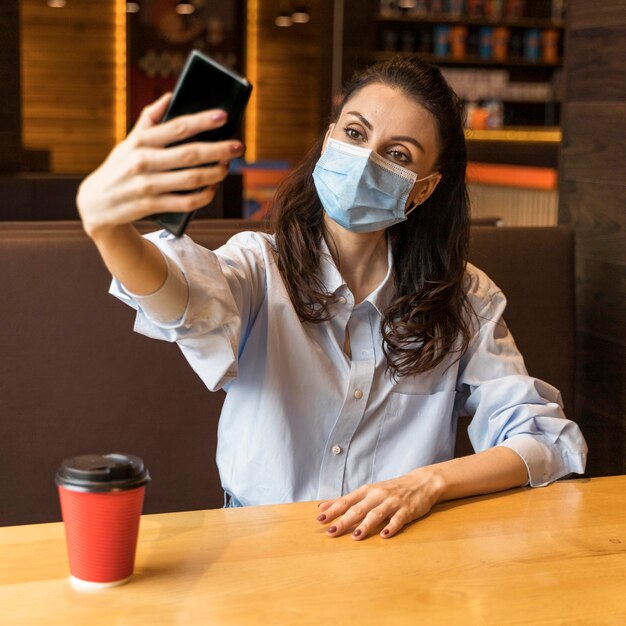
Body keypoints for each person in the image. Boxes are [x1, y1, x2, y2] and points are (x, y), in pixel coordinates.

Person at [77, 56, 587, 541]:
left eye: (397, 154)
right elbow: (179, 302)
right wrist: (108, 228)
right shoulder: (260, 265)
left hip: (399, 550)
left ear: (423, 188)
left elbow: (545, 438)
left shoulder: (465, 297)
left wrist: (428, 483)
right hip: (259, 546)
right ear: (328, 139)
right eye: (355, 133)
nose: (366, 160)